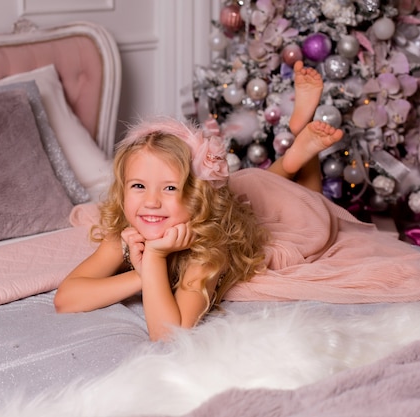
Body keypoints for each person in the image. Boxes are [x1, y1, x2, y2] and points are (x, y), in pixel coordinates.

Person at [54, 61, 344, 341]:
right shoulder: (127, 235)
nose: (151, 202)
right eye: (139, 186)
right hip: (243, 196)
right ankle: (292, 157)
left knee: (309, 202)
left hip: (259, 210)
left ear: (196, 195)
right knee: (255, 187)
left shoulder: (206, 247)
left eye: (169, 188)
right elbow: (65, 300)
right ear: (123, 189)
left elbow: (168, 335)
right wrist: (142, 276)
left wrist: (155, 259)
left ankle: (299, 141)